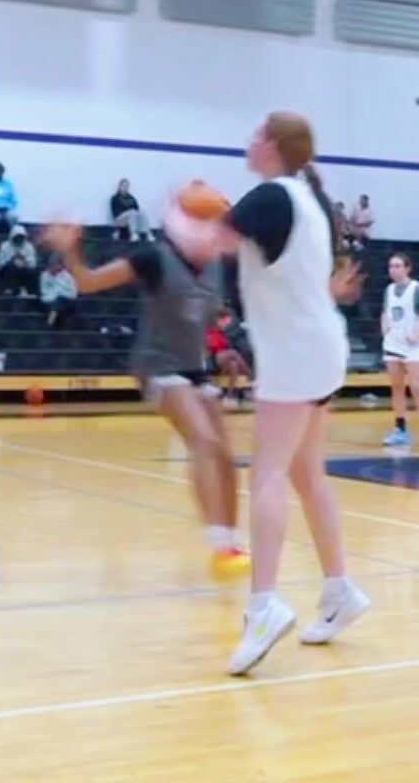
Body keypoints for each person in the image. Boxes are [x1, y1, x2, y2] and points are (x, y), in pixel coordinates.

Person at [164, 111, 368, 676]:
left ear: (274, 146)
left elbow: (200, 244)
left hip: (295, 351)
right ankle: (340, 590)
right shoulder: (309, 199)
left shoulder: (271, 197)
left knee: (269, 474)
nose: (249, 141)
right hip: (321, 345)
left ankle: (263, 606)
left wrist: (176, 207)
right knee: (306, 474)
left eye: (257, 134)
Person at [41, 218, 251, 580]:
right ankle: (219, 543)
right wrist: (71, 250)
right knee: (203, 440)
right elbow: (87, 282)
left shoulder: (217, 267)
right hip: (157, 365)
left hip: (195, 367)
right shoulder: (154, 258)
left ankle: (230, 544)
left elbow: (208, 317)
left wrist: (222, 349)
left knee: (226, 456)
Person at [379, 253, 419, 451]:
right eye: (391, 266)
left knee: (416, 386)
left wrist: (418, 333)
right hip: (393, 344)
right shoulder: (388, 290)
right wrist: (385, 328)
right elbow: (385, 312)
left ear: (407, 268)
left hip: (413, 345)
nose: (393, 270)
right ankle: (400, 429)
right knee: (396, 387)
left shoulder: (417, 289)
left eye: (397, 266)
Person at [207, 307, 251, 401]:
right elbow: (212, 346)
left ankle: (230, 394)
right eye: (224, 321)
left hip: (225, 359)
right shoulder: (212, 331)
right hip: (217, 356)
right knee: (233, 352)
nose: (226, 323)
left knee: (233, 364)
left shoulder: (226, 332)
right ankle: (247, 373)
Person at [0, 225, 39, 296]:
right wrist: (12, 260)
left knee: (32, 271)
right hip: (9, 269)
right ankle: (10, 289)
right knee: (10, 268)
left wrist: (24, 260)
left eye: (21, 236)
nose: (19, 238)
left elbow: (33, 264)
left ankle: (26, 290)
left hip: (24, 270)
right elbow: (0, 263)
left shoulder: (29, 246)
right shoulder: (4, 246)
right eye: (17, 236)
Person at [38, 255, 78, 329]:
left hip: (65, 301)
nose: (53, 267)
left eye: (55, 265)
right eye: (51, 265)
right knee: (53, 304)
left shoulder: (68, 277)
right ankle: (53, 322)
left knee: (59, 300)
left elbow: (73, 293)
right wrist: (53, 297)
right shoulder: (44, 275)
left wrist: (61, 294)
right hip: (49, 301)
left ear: (60, 265)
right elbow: (43, 292)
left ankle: (49, 323)